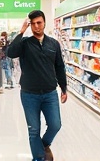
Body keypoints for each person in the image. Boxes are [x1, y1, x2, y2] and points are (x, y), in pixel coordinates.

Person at [6, 10, 67, 161]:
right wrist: (21, 32)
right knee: (33, 130)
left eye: (39, 23)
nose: (36, 26)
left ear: (44, 23)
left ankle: (43, 145)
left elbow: (59, 66)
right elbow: (10, 52)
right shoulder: (25, 44)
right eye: (32, 24)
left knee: (55, 125)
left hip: (49, 93)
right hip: (29, 94)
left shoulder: (53, 44)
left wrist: (64, 88)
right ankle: (39, 158)